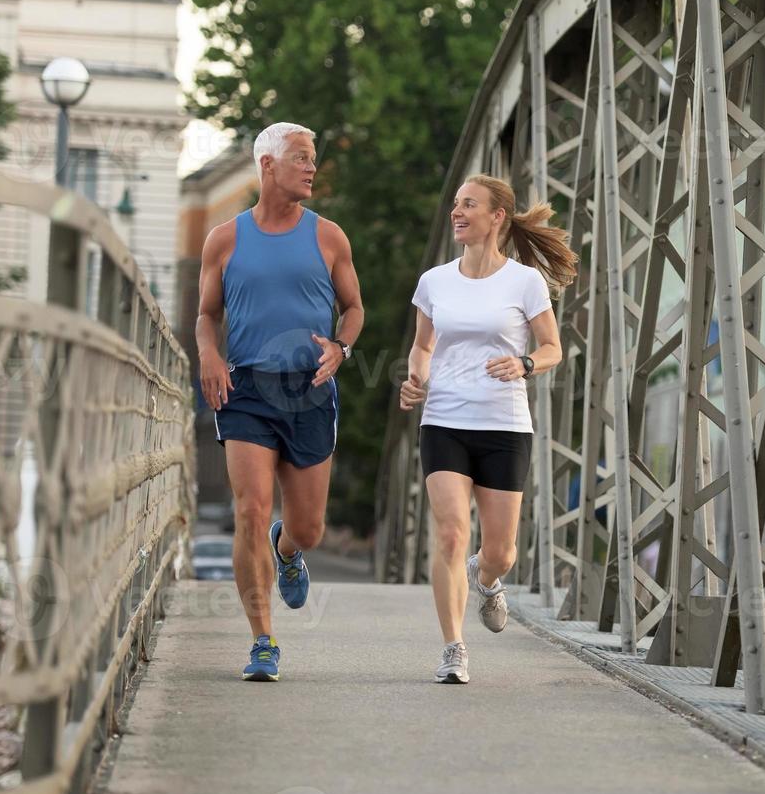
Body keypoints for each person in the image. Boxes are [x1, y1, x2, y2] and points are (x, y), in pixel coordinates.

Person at [196, 121, 364, 682]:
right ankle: (263, 640)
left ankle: (287, 550)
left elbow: (355, 308)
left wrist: (342, 346)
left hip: (309, 390)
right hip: (246, 389)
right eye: (302, 158)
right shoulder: (224, 239)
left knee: (309, 528)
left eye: (313, 158)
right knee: (248, 509)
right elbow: (206, 315)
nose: (312, 168)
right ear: (268, 165)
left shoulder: (330, 236)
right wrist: (209, 356)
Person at [400, 174, 576, 684]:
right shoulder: (435, 281)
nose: (458, 212)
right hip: (445, 422)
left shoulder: (524, 282)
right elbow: (423, 346)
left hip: (504, 425)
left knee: (499, 550)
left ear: (497, 216)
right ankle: (454, 647)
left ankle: (488, 576)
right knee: (452, 534)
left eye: (469, 205)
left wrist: (524, 364)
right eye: (455, 204)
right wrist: (416, 380)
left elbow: (552, 348)